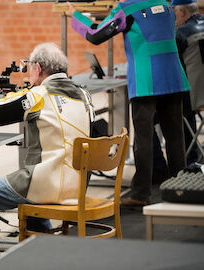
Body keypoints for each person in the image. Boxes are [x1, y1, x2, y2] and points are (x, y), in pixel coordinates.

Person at [0, 42, 94, 269]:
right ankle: (40, 245)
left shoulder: (38, 95)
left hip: (47, 184)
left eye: (29, 67)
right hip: (78, 184)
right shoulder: (84, 94)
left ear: (37, 69)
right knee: (31, 179)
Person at [66, 0, 190, 206]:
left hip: (146, 80)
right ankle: (181, 188)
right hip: (173, 76)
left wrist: (75, 16)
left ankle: (141, 194)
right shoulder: (166, 5)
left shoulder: (127, 9)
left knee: (143, 138)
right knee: (175, 137)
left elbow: (95, 34)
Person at [173, 0, 204, 162]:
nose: (173, 16)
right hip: (200, 93)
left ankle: (188, 160)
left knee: (152, 116)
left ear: (183, 12)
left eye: (175, 12)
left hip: (194, 96)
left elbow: (173, 66)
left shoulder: (181, 33)